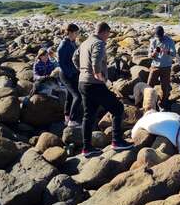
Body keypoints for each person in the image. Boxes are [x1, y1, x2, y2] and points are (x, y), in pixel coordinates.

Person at [77, 22, 133, 157]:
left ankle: (87, 148)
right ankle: (117, 141)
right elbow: (96, 61)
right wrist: (98, 75)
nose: (108, 37)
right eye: (108, 34)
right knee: (118, 108)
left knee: (88, 115)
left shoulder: (85, 43)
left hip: (83, 82)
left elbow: (75, 57)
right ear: (104, 32)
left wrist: (83, 71)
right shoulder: (99, 43)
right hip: (95, 83)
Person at [57, 23, 82, 127]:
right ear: (70, 33)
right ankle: (72, 120)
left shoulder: (72, 42)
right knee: (78, 96)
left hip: (72, 73)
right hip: (66, 75)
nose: (77, 35)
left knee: (70, 96)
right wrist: (72, 74)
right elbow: (61, 63)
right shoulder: (63, 45)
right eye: (76, 33)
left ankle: (67, 117)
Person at [147, 26, 176, 110]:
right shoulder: (153, 41)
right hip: (155, 66)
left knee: (165, 87)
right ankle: (148, 102)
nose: (159, 38)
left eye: (160, 37)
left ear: (163, 34)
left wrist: (167, 52)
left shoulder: (169, 41)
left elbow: (174, 54)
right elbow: (149, 55)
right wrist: (154, 53)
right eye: (157, 37)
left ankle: (163, 104)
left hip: (166, 66)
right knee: (149, 85)